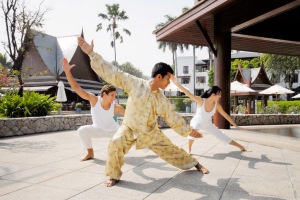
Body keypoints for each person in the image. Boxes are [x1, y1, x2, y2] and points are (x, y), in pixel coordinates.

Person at [77, 36, 209, 187]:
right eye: (168, 79)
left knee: (171, 150)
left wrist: (189, 131)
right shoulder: (135, 84)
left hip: (150, 131)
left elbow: (173, 117)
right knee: (115, 143)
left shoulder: (161, 99)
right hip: (129, 127)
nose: (169, 83)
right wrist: (92, 54)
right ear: (159, 76)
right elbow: (114, 73)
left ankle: (195, 163)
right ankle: (114, 175)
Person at [61, 58, 125, 161]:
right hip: (98, 129)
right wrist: (67, 72)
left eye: (115, 95)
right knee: (82, 130)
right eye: (112, 95)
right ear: (104, 94)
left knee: (133, 140)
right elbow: (77, 88)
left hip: (113, 131)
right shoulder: (94, 100)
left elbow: (131, 117)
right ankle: (90, 153)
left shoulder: (116, 107)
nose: (114, 98)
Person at [170, 75, 251, 154]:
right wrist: (177, 83)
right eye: (219, 94)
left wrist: (236, 126)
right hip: (196, 122)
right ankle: (189, 148)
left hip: (207, 124)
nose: (220, 96)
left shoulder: (217, 105)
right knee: (194, 130)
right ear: (213, 95)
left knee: (222, 136)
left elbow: (226, 115)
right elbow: (188, 93)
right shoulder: (201, 101)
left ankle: (242, 147)